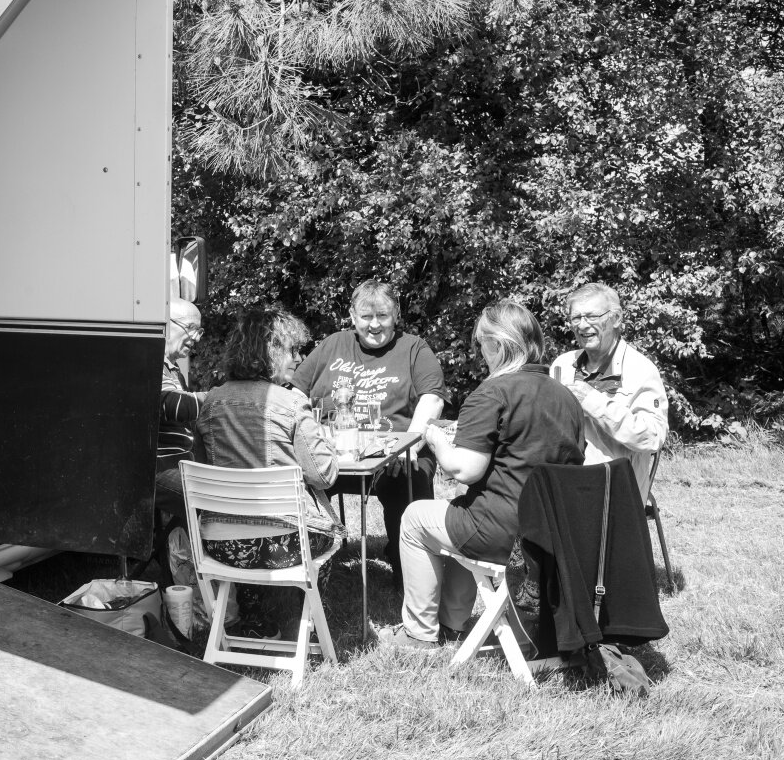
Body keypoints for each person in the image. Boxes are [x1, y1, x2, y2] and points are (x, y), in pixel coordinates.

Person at [379, 299, 585, 650]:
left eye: (480, 344)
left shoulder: (492, 392)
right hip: (555, 530)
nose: (479, 352)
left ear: (497, 344)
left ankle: (418, 635)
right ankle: (454, 622)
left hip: (506, 532)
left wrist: (434, 437)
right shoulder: (565, 396)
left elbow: (464, 469)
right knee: (458, 509)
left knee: (415, 518)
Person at [291, 279, 446, 588]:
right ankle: (301, 571)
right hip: (334, 456)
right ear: (352, 316)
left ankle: (412, 581)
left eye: (383, 316)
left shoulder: (414, 347)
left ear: (396, 314)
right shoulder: (333, 344)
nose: (374, 325)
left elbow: (433, 397)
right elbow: (295, 392)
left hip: (395, 457)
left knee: (408, 482)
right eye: (366, 317)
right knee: (294, 482)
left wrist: (411, 443)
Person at [195, 309, 341, 630]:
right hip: (285, 548)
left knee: (262, 531)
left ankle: (257, 617)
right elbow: (323, 475)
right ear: (271, 351)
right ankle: (299, 624)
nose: (299, 358)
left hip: (221, 546)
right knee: (319, 535)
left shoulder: (212, 402)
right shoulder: (290, 403)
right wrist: (327, 440)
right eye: (293, 350)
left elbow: (202, 468)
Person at [549, 283, 669, 498]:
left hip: (615, 491)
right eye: (576, 318)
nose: (583, 325)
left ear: (616, 319)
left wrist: (593, 401)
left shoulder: (640, 369)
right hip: (563, 482)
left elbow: (653, 437)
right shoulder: (562, 365)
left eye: (592, 316)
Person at [152, 299, 207, 584]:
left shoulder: (173, 369)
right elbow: (169, 406)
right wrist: (218, 399)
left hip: (178, 465)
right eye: (190, 329)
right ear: (166, 322)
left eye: (200, 332)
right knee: (209, 497)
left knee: (221, 490)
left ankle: (200, 581)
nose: (195, 339)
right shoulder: (151, 361)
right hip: (155, 469)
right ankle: (199, 584)